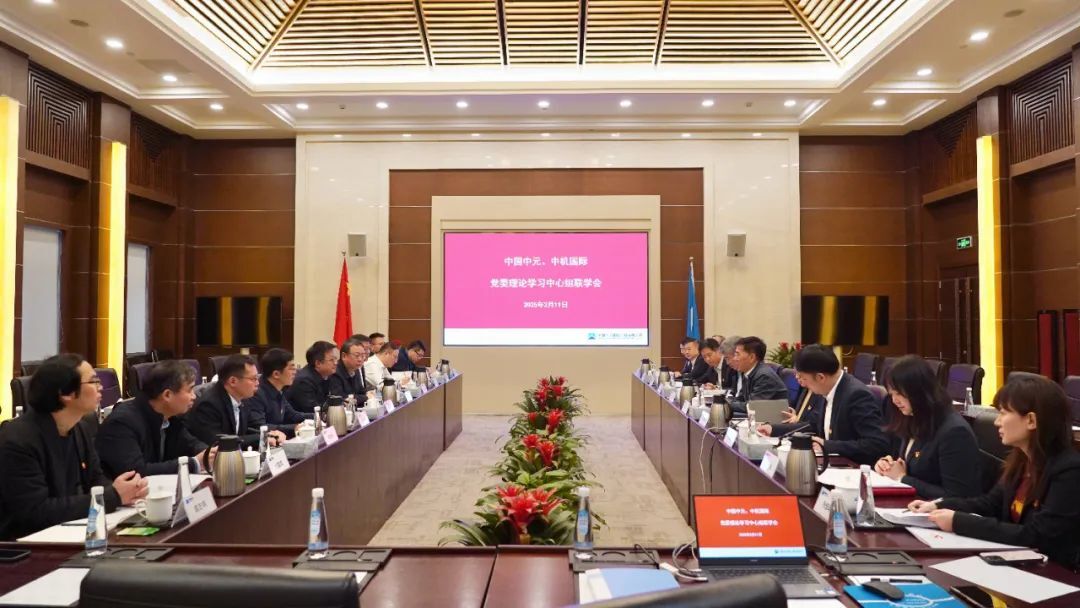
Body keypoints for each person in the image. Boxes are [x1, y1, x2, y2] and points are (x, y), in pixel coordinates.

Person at [909, 376, 1080, 568]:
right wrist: (938, 505)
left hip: (1057, 572)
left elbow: (1038, 536)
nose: (997, 422)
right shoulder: (1021, 461)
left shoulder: (1069, 471)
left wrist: (959, 522)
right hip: (1020, 563)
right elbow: (990, 504)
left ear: (1031, 420)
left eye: (1003, 413)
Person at [0, 354, 147, 540]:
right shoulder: (18, 440)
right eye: (93, 381)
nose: (101, 387)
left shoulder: (79, 428)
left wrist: (127, 491)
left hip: (72, 535)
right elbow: (35, 512)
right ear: (65, 393)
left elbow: (95, 479)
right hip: (26, 546)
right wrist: (113, 497)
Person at [760, 344, 888, 465]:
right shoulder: (827, 388)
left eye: (803, 378)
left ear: (820, 377)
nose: (801, 383)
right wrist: (773, 429)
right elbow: (814, 426)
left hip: (853, 468)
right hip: (830, 463)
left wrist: (826, 445)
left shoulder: (856, 395)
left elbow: (876, 444)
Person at [873, 356, 981, 498]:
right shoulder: (913, 417)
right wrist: (888, 465)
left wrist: (902, 478)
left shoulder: (954, 432)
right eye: (892, 394)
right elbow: (906, 463)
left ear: (918, 391)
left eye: (899, 393)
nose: (894, 400)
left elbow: (956, 496)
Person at [96, 360, 215, 478]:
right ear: (167, 395)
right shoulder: (122, 423)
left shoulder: (170, 416)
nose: (194, 396)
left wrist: (210, 453)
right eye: (189, 390)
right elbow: (136, 472)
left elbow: (191, 444)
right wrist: (193, 464)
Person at [186, 355, 285, 451]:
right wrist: (261, 438)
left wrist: (268, 434)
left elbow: (246, 429)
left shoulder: (243, 399)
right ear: (233, 381)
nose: (258, 383)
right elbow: (217, 442)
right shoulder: (208, 405)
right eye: (253, 379)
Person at [247, 348, 310, 438]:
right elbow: (260, 427)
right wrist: (294, 428)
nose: (295, 371)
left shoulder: (279, 389)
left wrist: (318, 416)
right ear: (276, 374)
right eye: (291, 368)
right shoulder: (256, 393)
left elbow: (293, 415)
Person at [728, 336, 788, 415]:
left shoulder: (764, 376)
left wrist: (726, 404)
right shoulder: (748, 372)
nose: (734, 359)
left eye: (737, 354)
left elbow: (753, 406)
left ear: (752, 357)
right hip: (757, 417)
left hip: (771, 419)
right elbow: (741, 399)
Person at [288, 341, 338, 413]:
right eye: (331, 360)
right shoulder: (304, 381)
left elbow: (334, 398)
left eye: (336, 359)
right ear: (318, 363)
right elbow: (313, 409)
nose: (336, 363)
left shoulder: (328, 375)